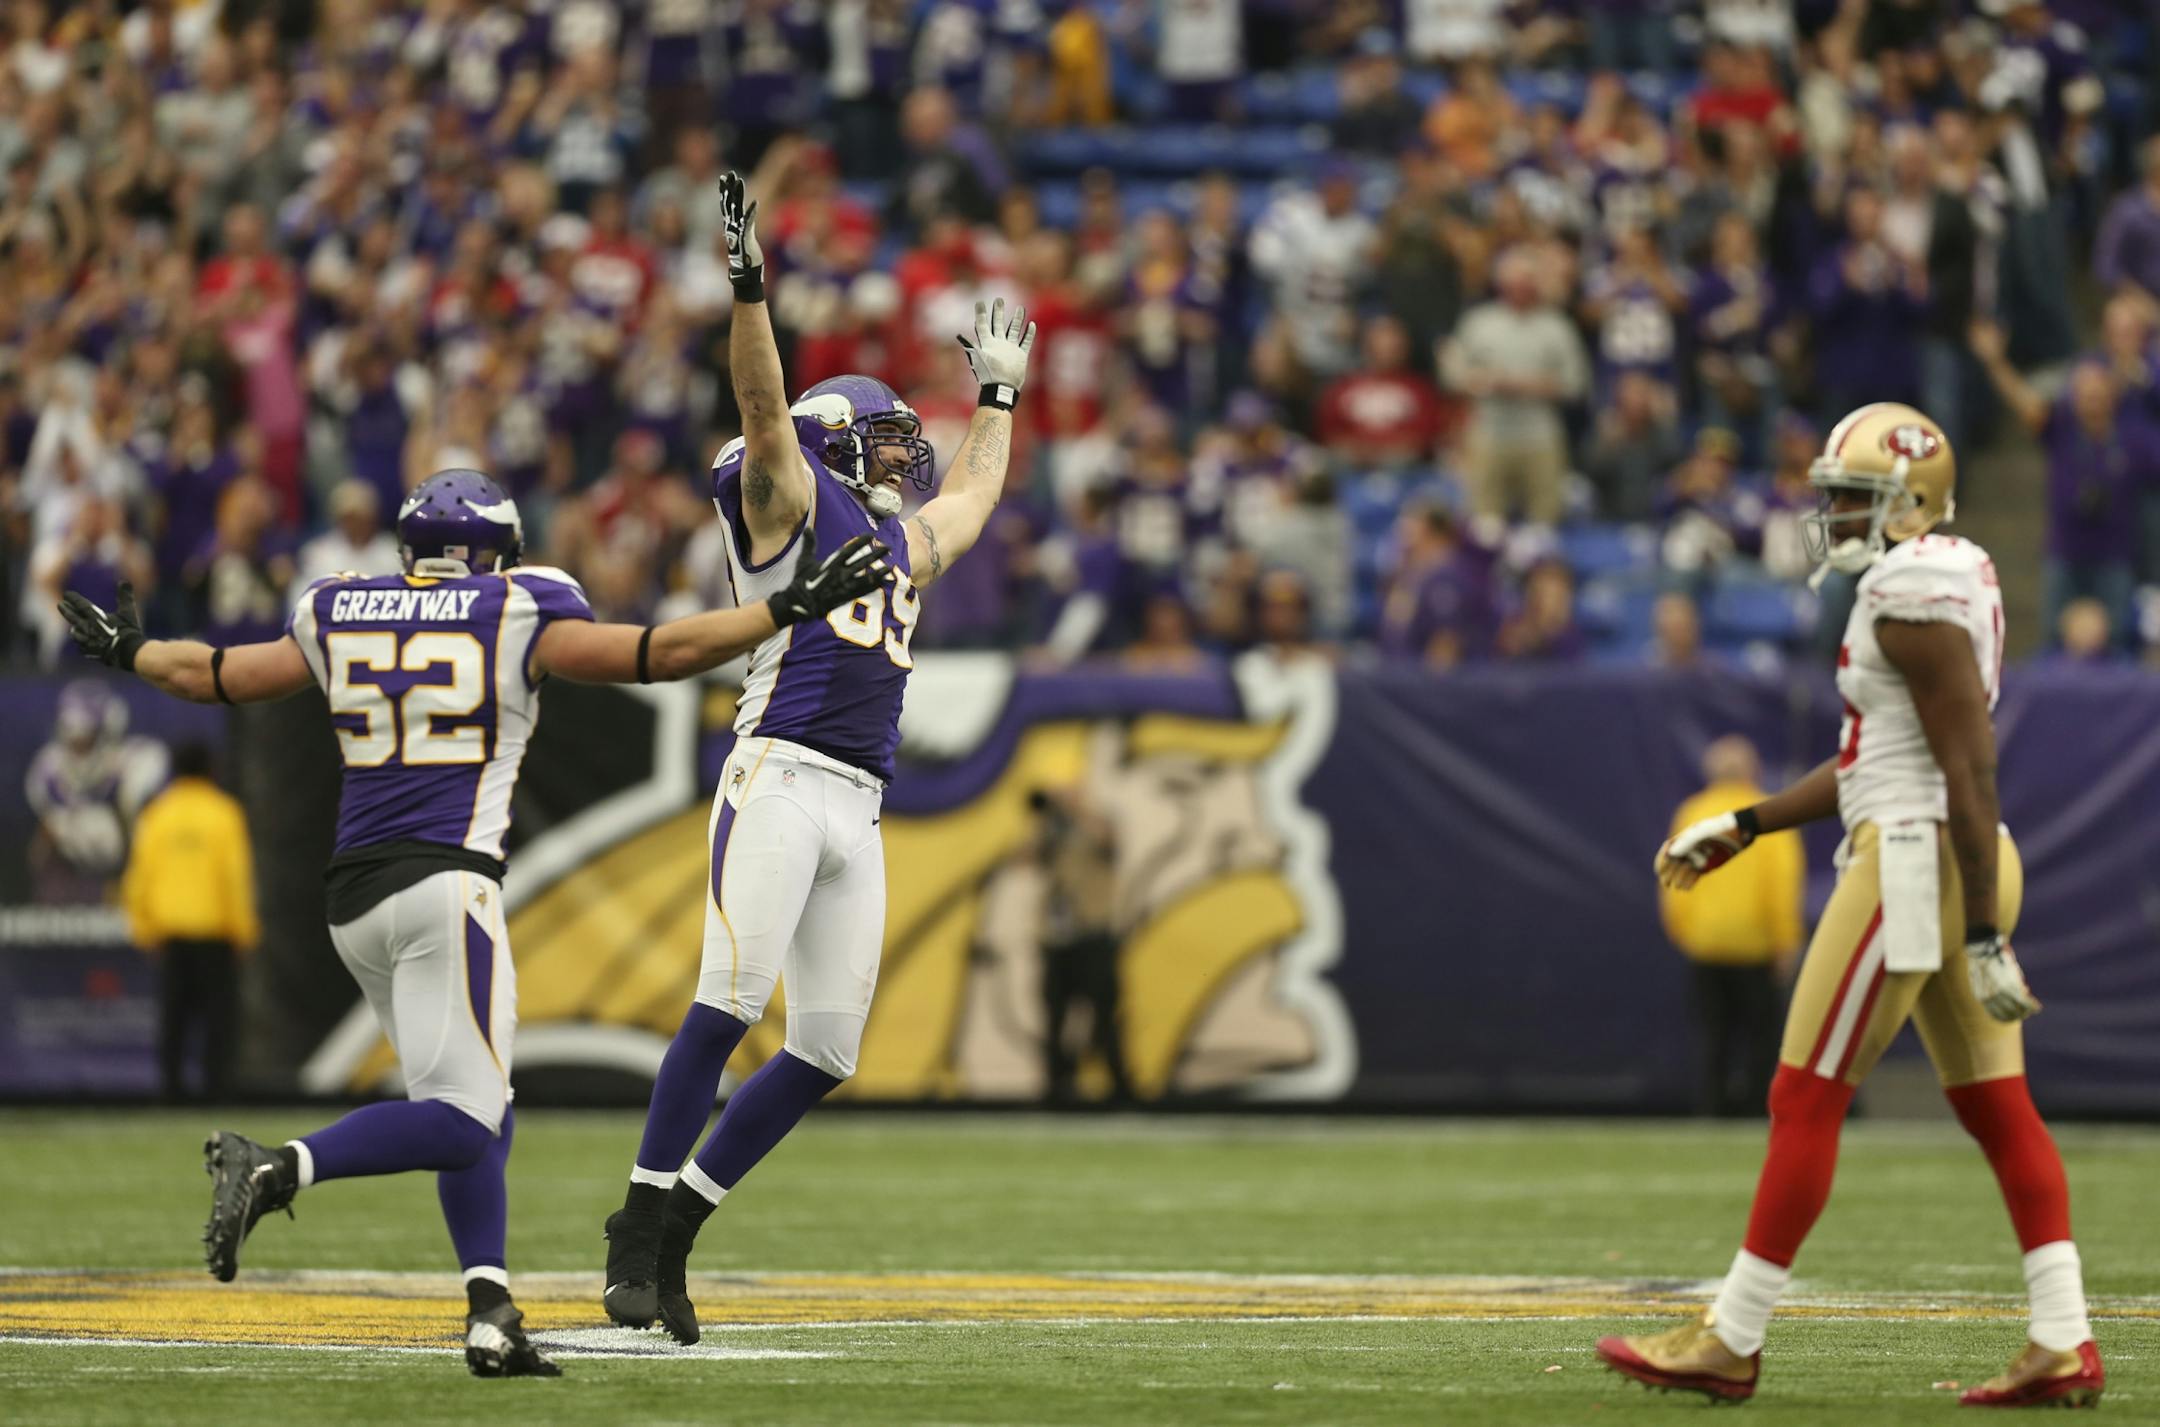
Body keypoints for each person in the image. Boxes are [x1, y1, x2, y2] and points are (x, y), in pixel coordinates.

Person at [58, 468, 892, 1378]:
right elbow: (661, 652)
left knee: (479, 1110)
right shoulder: (519, 606)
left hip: (352, 898)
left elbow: (221, 675)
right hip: (446, 882)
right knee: (463, 1118)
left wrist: (130, 651)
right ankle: (277, 1167)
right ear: (497, 550)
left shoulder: (341, 604)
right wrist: (784, 609)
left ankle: (490, 1309)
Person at [602, 171, 1036, 1346]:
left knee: (828, 1046)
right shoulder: (789, 496)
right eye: (886, 442)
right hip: (781, 771)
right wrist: (750, 288)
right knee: (726, 1000)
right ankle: (636, 1221)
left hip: (861, 800)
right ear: (833, 443)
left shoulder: (897, 535)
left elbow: (983, 496)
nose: (905, 462)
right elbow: (759, 406)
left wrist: (995, 395)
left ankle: (685, 1218)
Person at [1598, 403, 2103, 1408]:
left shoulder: (1911, 590)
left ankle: (1731, 1336)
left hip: (1919, 858)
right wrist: (1749, 821)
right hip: (1947, 844)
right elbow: (1882, 754)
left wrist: (1982, 933)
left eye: (1851, 496)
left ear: (1907, 504)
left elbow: (1967, 761)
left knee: (1805, 1092)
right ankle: (2062, 1337)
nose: (1830, 512)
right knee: (1996, 1106)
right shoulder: (1936, 576)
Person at [1660, 735, 1803, 1118]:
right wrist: (1785, 942)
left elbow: (1675, 880)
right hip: (1755, 946)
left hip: (1704, 944)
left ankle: (1711, 1110)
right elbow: (1781, 885)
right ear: (1752, 771)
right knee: (1760, 1038)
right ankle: (1758, 1111)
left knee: (1713, 1037)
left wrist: (1684, 932)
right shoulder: (1768, 815)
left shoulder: (1692, 813)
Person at [123, 741, 257, 1103]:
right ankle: (217, 1092)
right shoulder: (224, 813)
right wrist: (243, 931)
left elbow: (138, 878)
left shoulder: (157, 814)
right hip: (216, 934)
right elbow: (235, 877)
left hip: (170, 935)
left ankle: (171, 1092)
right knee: (218, 1020)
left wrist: (144, 929)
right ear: (210, 769)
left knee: (174, 1019)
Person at [1029, 786, 1131, 1103]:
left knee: (1104, 1017)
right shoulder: (1054, 830)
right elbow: (1026, 856)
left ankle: (1119, 1087)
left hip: (1094, 936)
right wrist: (1047, 819)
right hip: (1057, 940)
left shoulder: (1096, 824)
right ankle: (1057, 1086)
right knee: (1055, 1017)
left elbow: (1109, 843)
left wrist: (1076, 809)